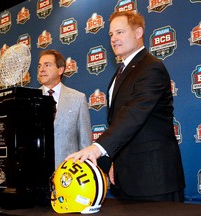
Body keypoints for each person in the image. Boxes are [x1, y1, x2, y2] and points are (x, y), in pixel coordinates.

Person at [65, 11, 186, 202]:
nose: (114, 39)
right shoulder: (119, 73)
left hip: (154, 180)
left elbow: (134, 114)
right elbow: (119, 123)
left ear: (138, 33)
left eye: (120, 32)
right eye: (111, 35)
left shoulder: (151, 67)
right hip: (126, 180)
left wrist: (98, 149)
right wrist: (112, 159)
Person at [37, 49, 92, 169]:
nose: (41, 70)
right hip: (36, 175)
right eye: (40, 66)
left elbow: (85, 144)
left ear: (60, 70)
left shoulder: (78, 99)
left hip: (67, 174)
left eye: (47, 65)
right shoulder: (30, 99)